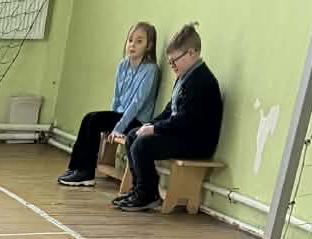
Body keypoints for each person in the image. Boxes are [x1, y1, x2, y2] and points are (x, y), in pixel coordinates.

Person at [114, 20, 222, 213]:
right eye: (170, 61)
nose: (171, 65)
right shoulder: (185, 77)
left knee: (143, 145)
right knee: (133, 135)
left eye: (174, 60)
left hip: (196, 142)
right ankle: (140, 189)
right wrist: (149, 125)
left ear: (191, 53)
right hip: (181, 134)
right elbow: (169, 112)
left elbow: (185, 120)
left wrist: (155, 129)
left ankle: (147, 195)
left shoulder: (201, 81)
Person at [58, 22, 159, 188]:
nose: (132, 45)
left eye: (139, 41)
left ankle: (86, 173)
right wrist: (109, 125)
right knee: (89, 117)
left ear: (149, 46)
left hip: (136, 121)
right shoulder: (123, 65)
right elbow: (116, 97)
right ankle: (75, 167)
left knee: (94, 120)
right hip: (120, 116)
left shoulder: (151, 70)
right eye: (130, 40)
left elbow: (136, 104)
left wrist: (117, 127)